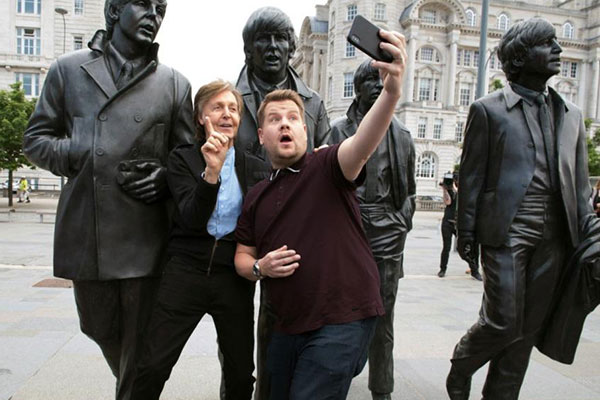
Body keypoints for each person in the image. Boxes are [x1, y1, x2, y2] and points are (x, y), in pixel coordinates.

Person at [22, 1, 194, 399]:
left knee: (138, 340)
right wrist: (79, 150)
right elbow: (36, 139)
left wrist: (166, 178)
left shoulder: (174, 83)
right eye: (144, 5)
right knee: (97, 326)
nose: (154, 15)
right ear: (114, 11)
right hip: (89, 230)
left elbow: (186, 156)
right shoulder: (68, 70)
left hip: (145, 234)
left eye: (161, 9)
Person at [234, 29, 407, 400]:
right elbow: (243, 257)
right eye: (275, 119)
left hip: (343, 319)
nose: (284, 123)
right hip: (287, 326)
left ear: (306, 129)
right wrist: (261, 267)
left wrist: (391, 92)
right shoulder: (256, 197)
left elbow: (362, 144)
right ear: (261, 135)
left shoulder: (328, 164)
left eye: (293, 118)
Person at [446, 18, 595, 400]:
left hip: (556, 237)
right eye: (548, 43)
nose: (558, 50)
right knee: (503, 321)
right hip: (507, 230)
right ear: (521, 55)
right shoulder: (488, 110)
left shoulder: (571, 115)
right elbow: (472, 177)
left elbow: (580, 187)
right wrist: (466, 234)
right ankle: (462, 363)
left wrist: (591, 235)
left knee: (526, 331)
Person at [131, 81, 255, 400]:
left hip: (233, 277)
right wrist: (211, 173)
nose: (226, 114)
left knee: (241, 374)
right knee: (153, 366)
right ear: (201, 117)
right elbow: (191, 217)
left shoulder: (254, 165)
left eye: (233, 108)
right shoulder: (183, 158)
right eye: (217, 107)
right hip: (185, 271)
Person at [233, 7, 331, 399]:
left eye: (281, 39)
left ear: (292, 47)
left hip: (294, 233)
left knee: (281, 335)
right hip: (239, 235)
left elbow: (325, 166)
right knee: (237, 347)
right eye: (263, 39)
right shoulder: (229, 100)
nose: (273, 47)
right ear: (248, 48)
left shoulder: (313, 104)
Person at [329, 58, 416, 400]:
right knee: (337, 315)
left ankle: (382, 390)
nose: (380, 86)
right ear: (358, 88)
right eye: (372, 80)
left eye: (384, 79)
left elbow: (408, 192)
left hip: (387, 232)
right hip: (345, 230)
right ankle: (333, 383)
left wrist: (400, 223)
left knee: (383, 318)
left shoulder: (402, 135)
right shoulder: (338, 131)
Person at [437, 173, 482, 280]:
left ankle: (474, 270)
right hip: (448, 223)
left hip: (460, 224)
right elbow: (448, 202)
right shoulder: (450, 191)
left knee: (466, 248)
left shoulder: (465, 192)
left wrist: (455, 189)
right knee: (446, 247)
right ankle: (442, 269)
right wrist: (445, 190)